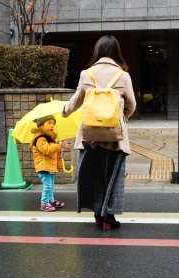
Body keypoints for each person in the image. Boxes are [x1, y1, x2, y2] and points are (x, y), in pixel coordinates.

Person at [62, 35, 136, 229]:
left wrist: (64, 111)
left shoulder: (87, 74)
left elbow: (76, 102)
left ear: (97, 51)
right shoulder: (123, 76)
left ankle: (97, 213)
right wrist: (120, 117)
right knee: (113, 176)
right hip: (115, 137)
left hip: (90, 136)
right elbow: (132, 106)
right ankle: (108, 218)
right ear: (116, 52)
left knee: (93, 175)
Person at [31, 115, 68, 212]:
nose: (52, 126)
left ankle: (51, 201)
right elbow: (47, 150)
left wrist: (60, 147)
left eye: (53, 124)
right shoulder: (40, 139)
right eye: (49, 123)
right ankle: (44, 204)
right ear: (41, 125)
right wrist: (58, 146)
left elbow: (53, 151)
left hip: (50, 167)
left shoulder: (49, 139)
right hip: (44, 167)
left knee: (50, 186)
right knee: (48, 186)